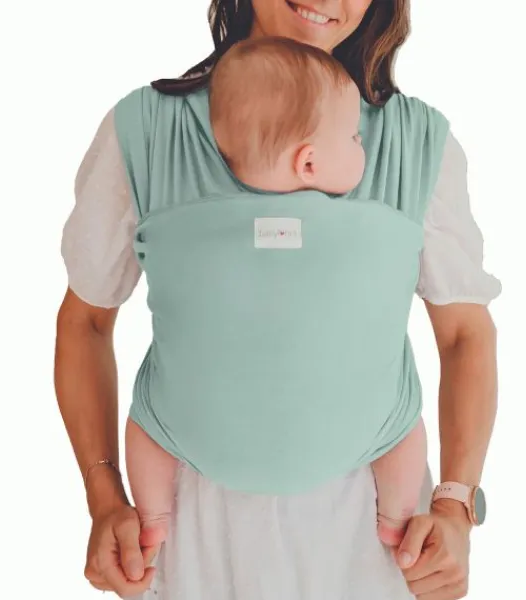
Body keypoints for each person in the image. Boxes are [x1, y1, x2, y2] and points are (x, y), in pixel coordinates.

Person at [55, 1, 501, 599]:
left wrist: (455, 507)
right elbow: (85, 322)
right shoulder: (147, 133)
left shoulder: (415, 144)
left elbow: (465, 335)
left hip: (372, 545)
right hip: (193, 538)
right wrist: (105, 497)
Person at [125, 34, 428, 557]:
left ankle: (152, 517)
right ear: (309, 164)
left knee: (147, 426)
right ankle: (396, 518)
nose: (363, 145)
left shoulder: (177, 222)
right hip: (357, 435)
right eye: (354, 137)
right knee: (403, 428)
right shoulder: (380, 226)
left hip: (192, 433)